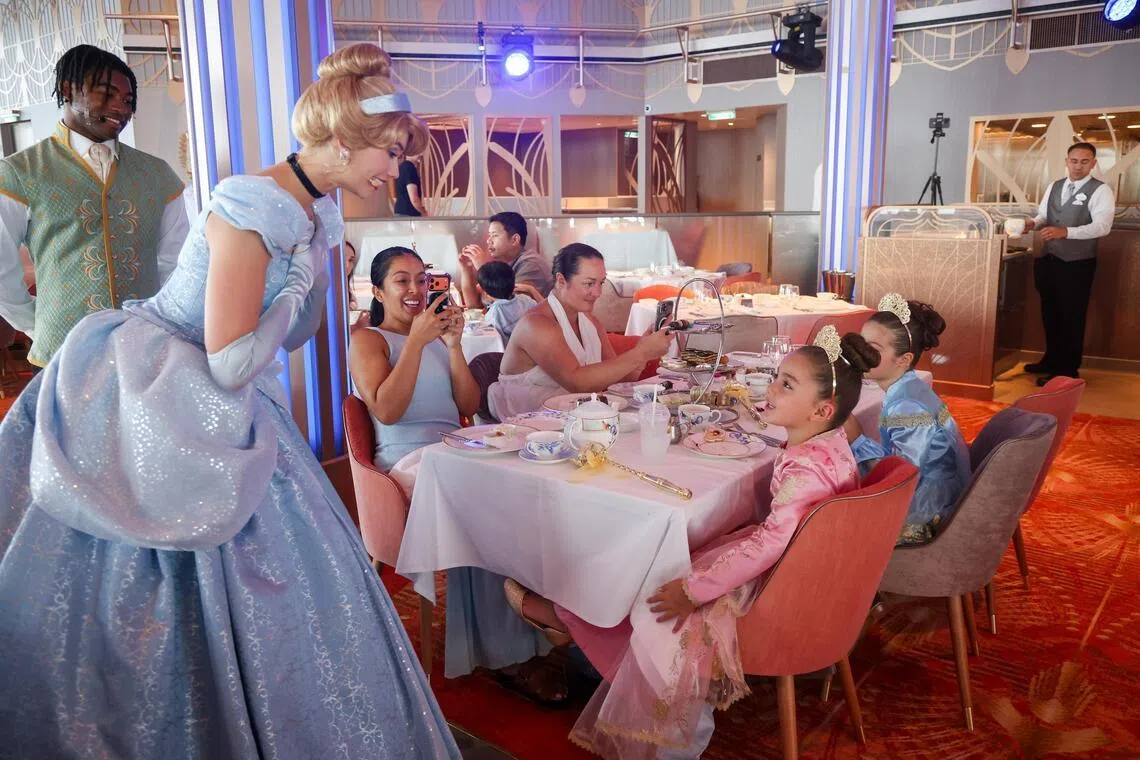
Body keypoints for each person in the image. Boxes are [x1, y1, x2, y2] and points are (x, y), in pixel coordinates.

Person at [0, 43, 462, 757]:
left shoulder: (317, 214)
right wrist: (302, 288)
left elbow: (301, 334)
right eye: (392, 153)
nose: (395, 170)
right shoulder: (253, 204)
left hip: (231, 392)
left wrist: (315, 283)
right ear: (346, 142)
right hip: (164, 386)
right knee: (160, 568)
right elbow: (230, 360)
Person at [504, 326, 876, 758]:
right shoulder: (828, 445)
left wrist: (692, 591)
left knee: (664, 599)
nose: (771, 388)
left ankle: (675, 735)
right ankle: (575, 620)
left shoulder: (804, 472)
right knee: (675, 554)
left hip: (782, 585)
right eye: (776, 377)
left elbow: (770, 546)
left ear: (821, 410)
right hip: (812, 574)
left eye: (786, 385)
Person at [0, 44, 189, 369]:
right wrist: (38, 324)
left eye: (128, 100)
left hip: (143, 352)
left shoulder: (158, 175)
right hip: (61, 358)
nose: (120, 107)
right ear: (67, 90)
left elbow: (176, 263)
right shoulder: (21, 172)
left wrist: (161, 324)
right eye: (106, 93)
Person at [487, 243, 673, 421]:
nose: (598, 292)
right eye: (589, 284)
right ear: (561, 280)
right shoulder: (536, 324)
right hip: (523, 425)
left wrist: (644, 351)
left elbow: (617, 379)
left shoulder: (590, 321)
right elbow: (577, 382)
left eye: (601, 283)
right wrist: (641, 353)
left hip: (575, 417)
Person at [846, 294, 970, 545]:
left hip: (926, 509)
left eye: (873, 349)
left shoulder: (907, 406)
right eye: (861, 343)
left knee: (822, 514)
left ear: (904, 360)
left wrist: (856, 437)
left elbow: (900, 477)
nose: (861, 353)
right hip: (939, 489)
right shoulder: (909, 388)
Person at [348, 246, 479, 470]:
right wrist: (415, 342)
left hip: (454, 454)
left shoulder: (438, 339)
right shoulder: (368, 339)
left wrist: (454, 347)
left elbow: (469, 407)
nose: (415, 290)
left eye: (421, 281)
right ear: (378, 293)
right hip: (408, 463)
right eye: (402, 281)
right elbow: (387, 412)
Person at [1022, 142, 1115, 386]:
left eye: (1084, 161)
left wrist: (1067, 232)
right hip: (1049, 260)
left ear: (1093, 163)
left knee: (1072, 317)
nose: (1078, 166)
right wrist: (1033, 223)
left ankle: (1066, 371)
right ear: (1067, 161)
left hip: (1077, 264)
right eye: (1074, 161)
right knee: (1050, 314)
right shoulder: (1055, 186)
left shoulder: (1101, 190)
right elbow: (1044, 215)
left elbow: (1102, 226)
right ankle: (1051, 360)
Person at [457, 211, 553, 305]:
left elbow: (509, 305)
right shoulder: (504, 264)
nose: (488, 241)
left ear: (515, 240)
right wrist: (466, 269)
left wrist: (484, 269)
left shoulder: (532, 265)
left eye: (494, 235)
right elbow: (473, 305)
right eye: (489, 235)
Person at [477, 260, 537, 341]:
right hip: (534, 342)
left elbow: (497, 343)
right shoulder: (525, 299)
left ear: (485, 293)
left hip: (512, 351)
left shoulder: (493, 315)